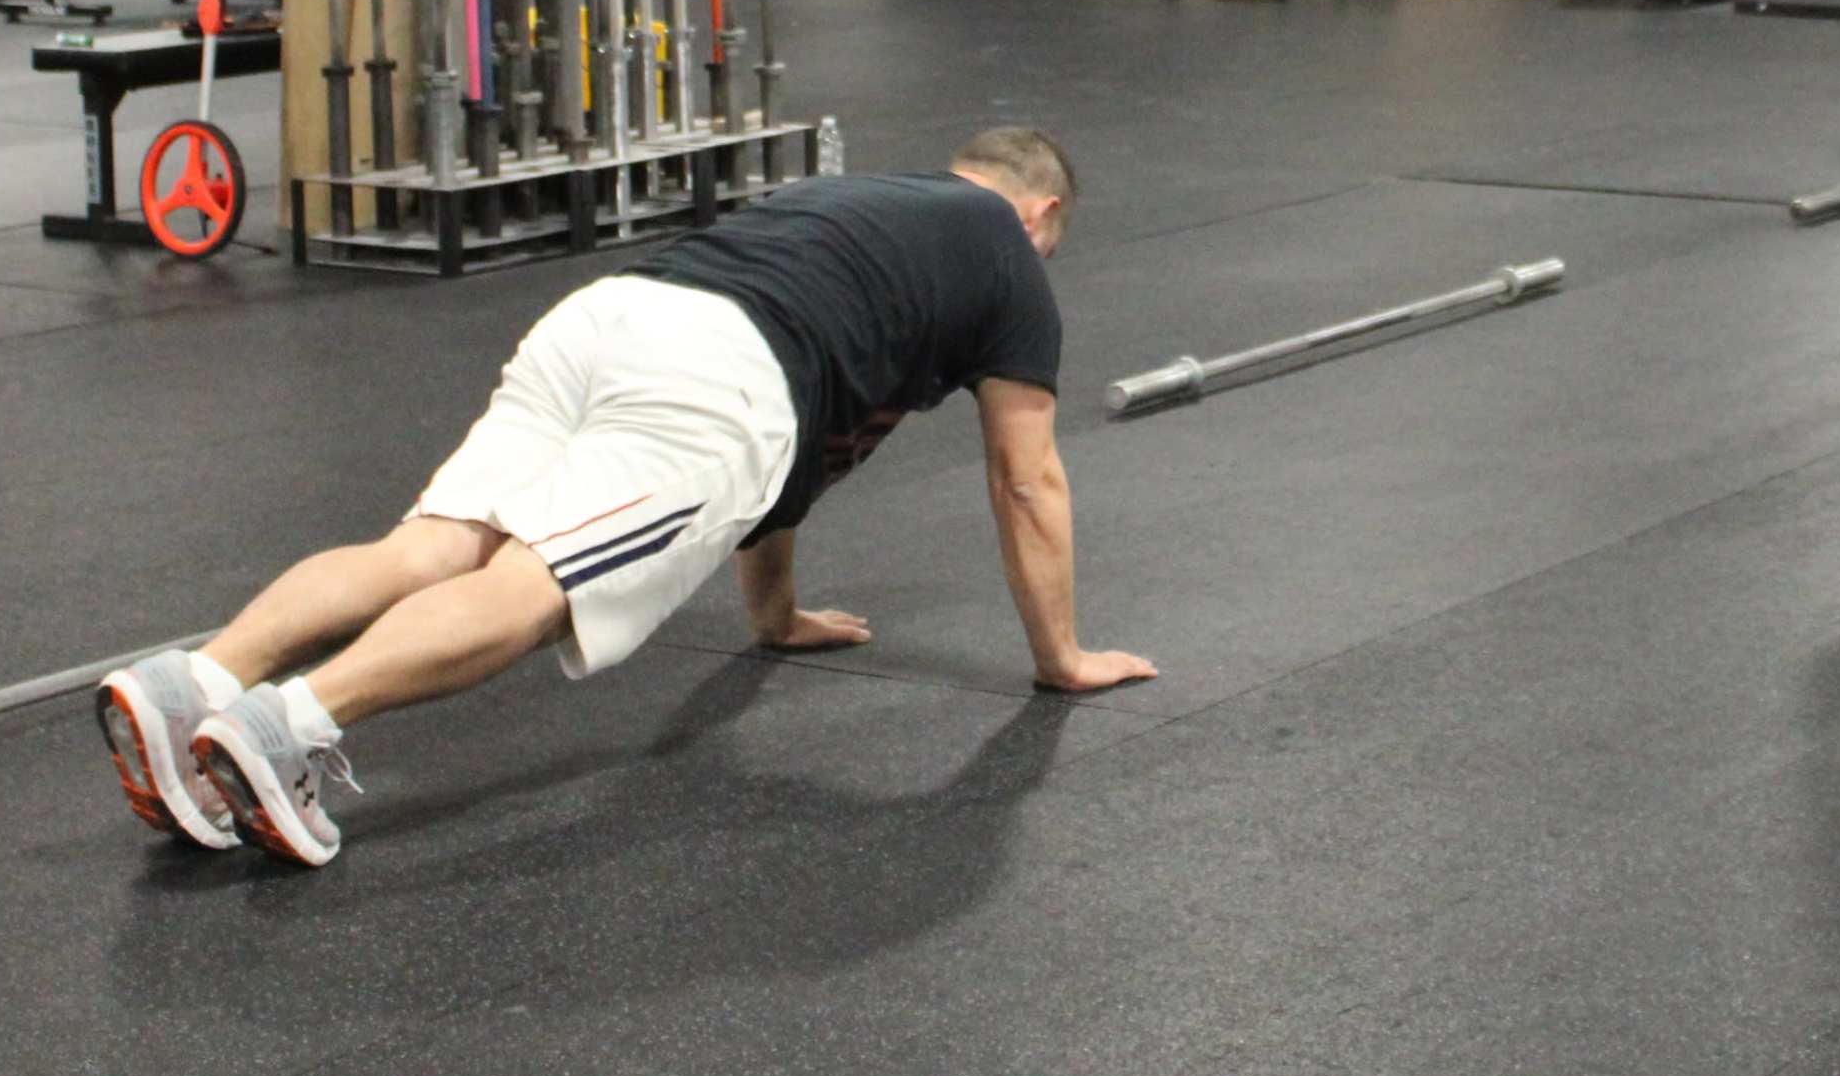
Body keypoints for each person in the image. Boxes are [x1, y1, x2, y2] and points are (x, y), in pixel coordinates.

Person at [96, 127, 1153, 868]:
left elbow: (796, 459)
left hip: (611, 315)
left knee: (432, 545)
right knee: (540, 582)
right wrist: (1059, 658)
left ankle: (195, 677)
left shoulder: (855, 205)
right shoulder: (1008, 259)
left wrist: (773, 616)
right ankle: (289, 724)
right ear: (1041, 210)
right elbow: (1028, 477)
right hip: (719, 378)